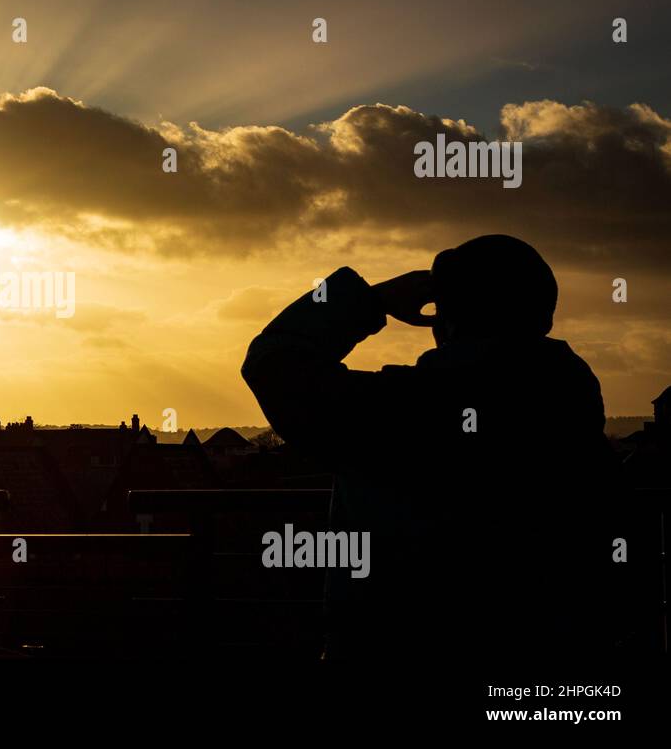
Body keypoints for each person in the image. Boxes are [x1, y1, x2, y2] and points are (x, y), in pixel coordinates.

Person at [241, 235, 621, 663]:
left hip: (402, 649)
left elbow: (273, 363)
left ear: (447, 322)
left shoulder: (408, 409)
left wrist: (373, 300)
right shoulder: (569, 398)